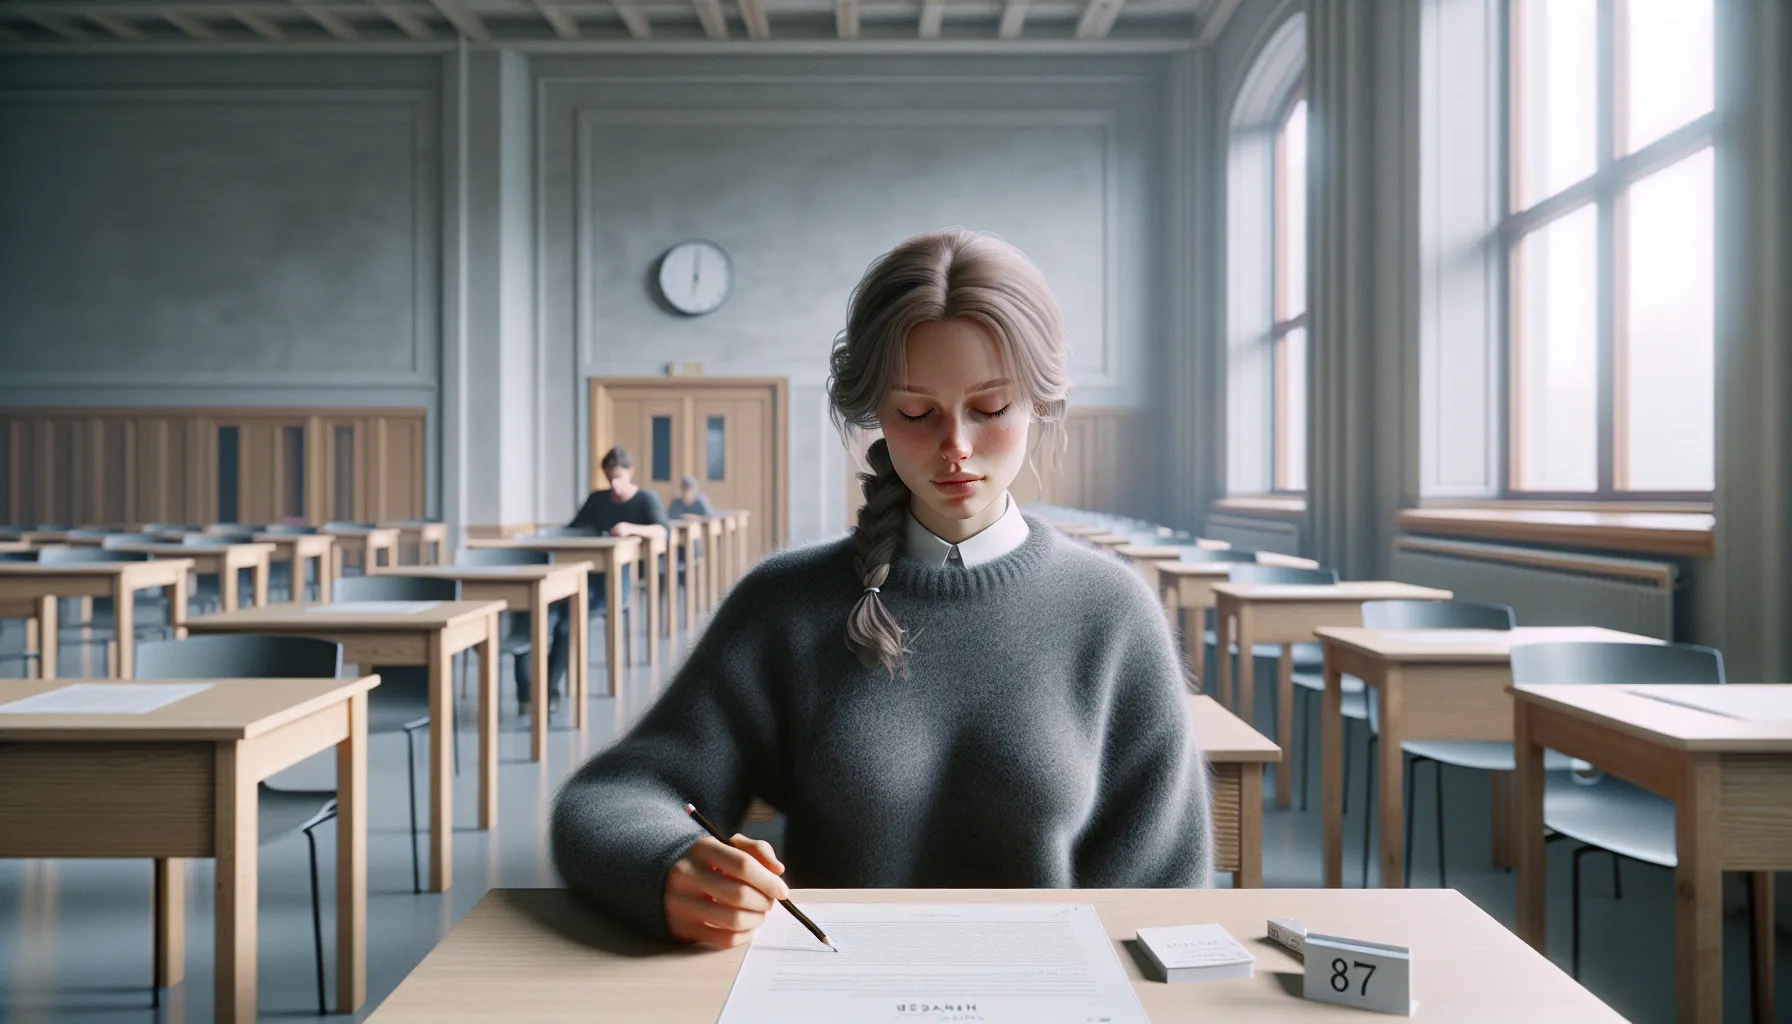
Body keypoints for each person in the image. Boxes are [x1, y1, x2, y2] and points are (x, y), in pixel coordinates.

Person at [551, 228, 1211, 948]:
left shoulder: (1113, 613)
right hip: (830, 992)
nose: (955, 446)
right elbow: (612, 796)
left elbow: (1163, 895)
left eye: (990, 408)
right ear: (875, 414)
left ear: (1039, 405)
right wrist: (670, 864)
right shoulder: (787, 604)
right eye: (917, 413)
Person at [519, 446, 669, 712]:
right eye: (610, 478)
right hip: (580, 580)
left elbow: (662, 531)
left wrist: (630, 529)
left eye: (620, 477)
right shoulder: (597, 500)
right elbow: (572, 530)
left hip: (611, 585)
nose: (615, 484)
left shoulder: (646, 499)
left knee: (566, 627)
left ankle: (549, 691)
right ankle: (528, 690)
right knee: (534, 620)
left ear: (631, 472)